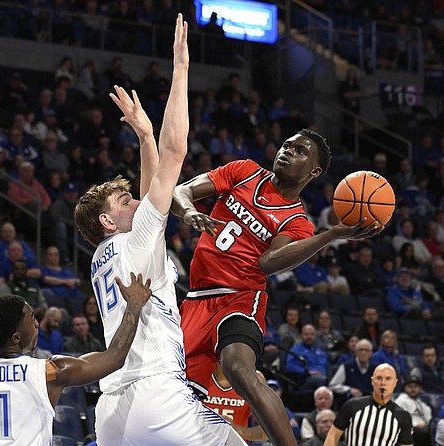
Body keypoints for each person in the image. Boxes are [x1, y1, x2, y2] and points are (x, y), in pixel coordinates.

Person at [73, 16, 243, 445]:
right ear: (108, 221)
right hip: (156, 392)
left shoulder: (103, 256)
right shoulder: (136, 238)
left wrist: (144, 138)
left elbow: (152, 193)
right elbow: (176, 152)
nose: (135, 202)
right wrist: (181, 70)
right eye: (123, 202)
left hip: (111, 408)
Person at [172, 125, 381, 446]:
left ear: (314, 171)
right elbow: (180, 191)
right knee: (178, 398)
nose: (287, 152)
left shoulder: (297, 222)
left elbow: (268, 263)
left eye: (300, 151)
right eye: (287, 145)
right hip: (196, 300)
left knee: (239, 370)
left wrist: (330, 234)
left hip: (240, 298)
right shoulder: (243, 171)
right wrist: (188, 212)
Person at [0, 273, 153, 445]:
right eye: (31, 319)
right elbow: (114, 357)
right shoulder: (50, 372)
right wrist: (133, 305)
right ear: (16, 338)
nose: (37, 324)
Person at [323, 363, 413, 446]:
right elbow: (333, 435)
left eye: (388, 379)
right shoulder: (352, 405)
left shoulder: (403, 416)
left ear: (395, 383)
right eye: (379, 378)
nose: (383, 383)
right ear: (372, 381)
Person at [328, 338, 375, 403]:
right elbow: (333, 385)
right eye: (360, 350)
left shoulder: (376, 369)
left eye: (366, 350)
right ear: (356, 352)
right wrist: (349, 389)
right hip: (351, 403)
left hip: (370, 403)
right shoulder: (346, 366)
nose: (363, 352)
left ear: (371, 353)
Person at [394, 374, 432, 446]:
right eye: (410, 387)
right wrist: (415, 425)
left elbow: (429, 419)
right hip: (410, 431)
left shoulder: (421, 403)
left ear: (420, 389)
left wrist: (427, 425)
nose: (413, 389)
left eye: (416, 387)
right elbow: (400, 421)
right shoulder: (400, 401)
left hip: (423, 431)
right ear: (405, 388)